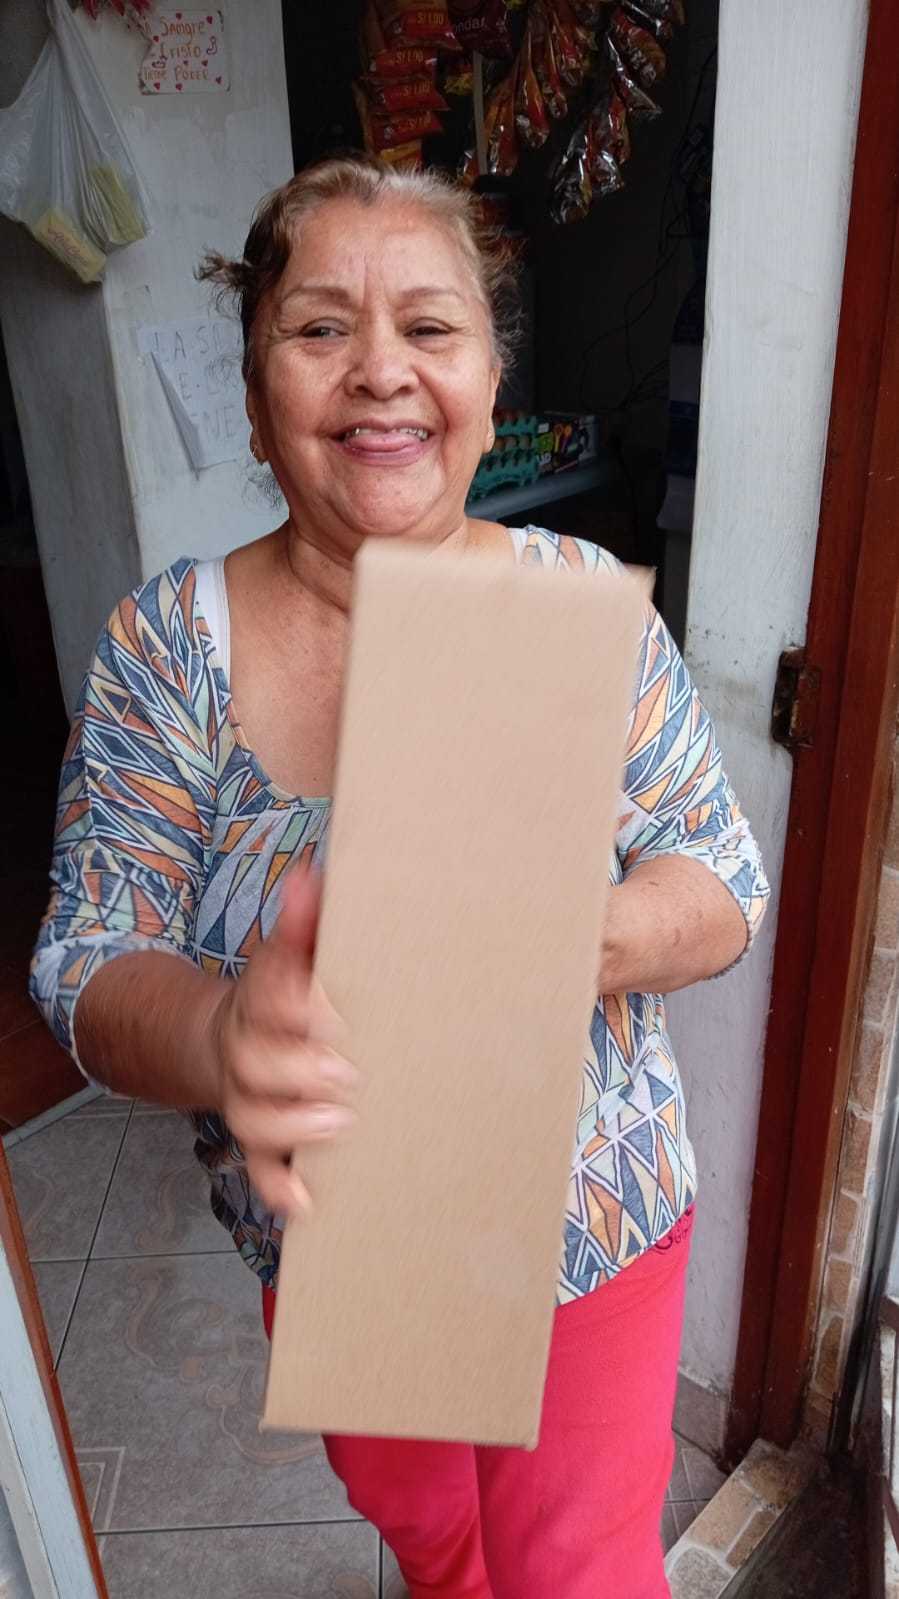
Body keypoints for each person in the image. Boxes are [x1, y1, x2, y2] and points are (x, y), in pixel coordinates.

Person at [31, 156, 768, 1599]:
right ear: (256, 399)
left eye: (430, 327)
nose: (381, 370)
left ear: (488, 381)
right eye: (319, 328)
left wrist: (559, 938)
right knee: (431, 1539)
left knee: (580, 1573)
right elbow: (87, 959)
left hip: (587, 1215)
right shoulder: (170, 649)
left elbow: (723, 880)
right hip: (343, 1243)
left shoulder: (575, 607)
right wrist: (220, 1033)